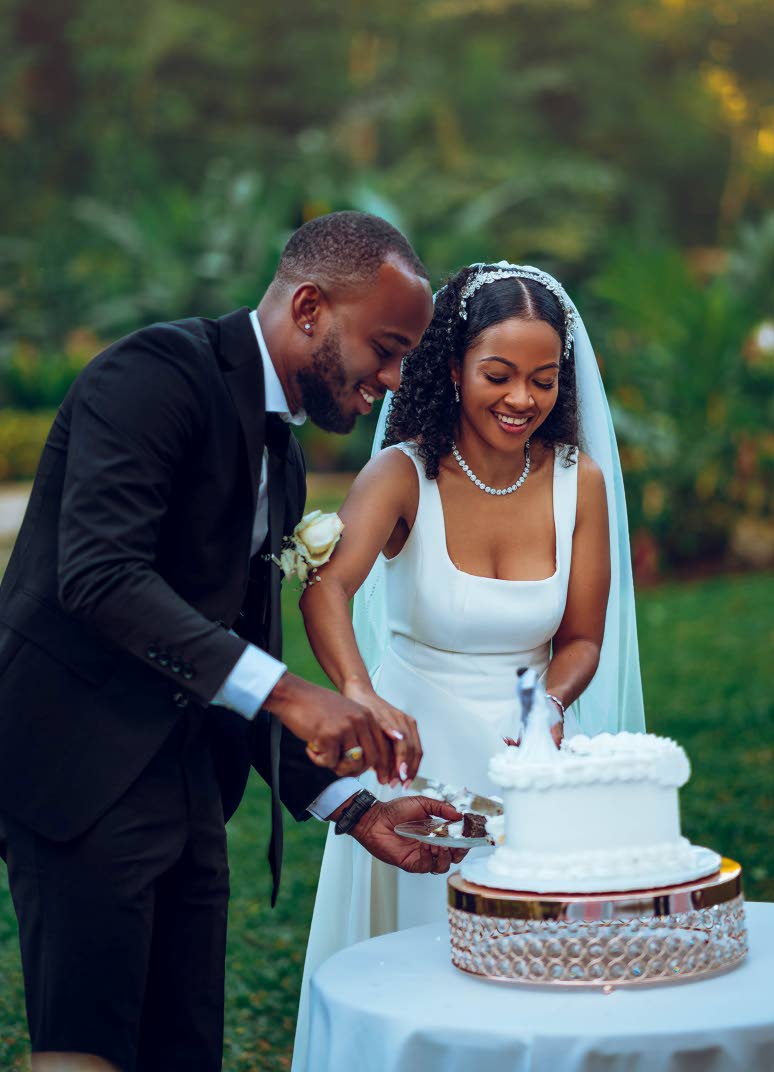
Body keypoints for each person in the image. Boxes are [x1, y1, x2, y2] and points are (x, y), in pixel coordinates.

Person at [0, 211, 467, 1072]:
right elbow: (99, 576)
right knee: (87, 1052)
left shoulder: (281, 457)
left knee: (185, 1051)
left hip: (189, 785)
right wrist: (297, 694)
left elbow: (238, 656)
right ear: (310, 309)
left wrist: (352, 807)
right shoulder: (151, 376)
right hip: (79, 769)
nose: (395, 379)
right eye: (387, 348)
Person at [291, 261, 646, 1071]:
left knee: (527, 983)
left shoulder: (576, 483)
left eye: (544, 380)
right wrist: (358, 695)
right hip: (412, 760)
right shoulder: (402, 473)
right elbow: (326, 589)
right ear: (452, 369)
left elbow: (582, 640)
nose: (522, 398)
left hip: (526, 755)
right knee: (415, 979)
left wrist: (548, 704)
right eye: (499, 375)